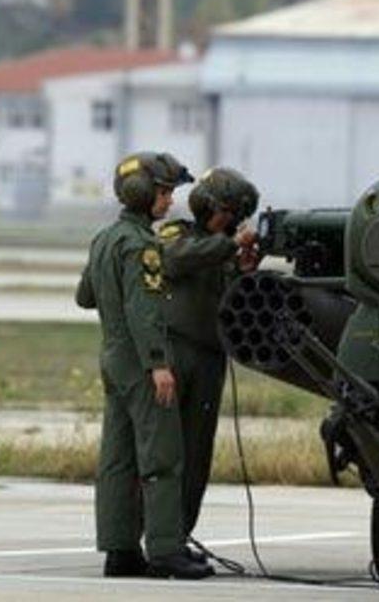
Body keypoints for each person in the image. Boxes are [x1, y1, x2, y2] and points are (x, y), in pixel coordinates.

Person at [75, 152, 213, 580]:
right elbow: (144, 312)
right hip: (140, 363)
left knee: (117, 460)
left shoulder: (104, 239)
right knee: (162, 457)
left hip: (113, 359)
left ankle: (120, 551)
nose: (169, 201)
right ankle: (166, 551)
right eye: (164, 192)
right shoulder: (142, 246)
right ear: (143, 194)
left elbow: (84, 296)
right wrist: (158, 364)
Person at [158, 167, 260, 549]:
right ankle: (155, 535)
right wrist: (230, 246)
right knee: (163, 450)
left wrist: (243, 270)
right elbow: (173, 260)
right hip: (176, 352)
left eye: (236, 215)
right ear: (207, 206)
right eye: (226, 212)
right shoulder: (178, 235)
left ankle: (178, 535)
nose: (229, 221)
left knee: (197, 453)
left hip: (210, 359)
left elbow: (232, 299)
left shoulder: (222, 248)